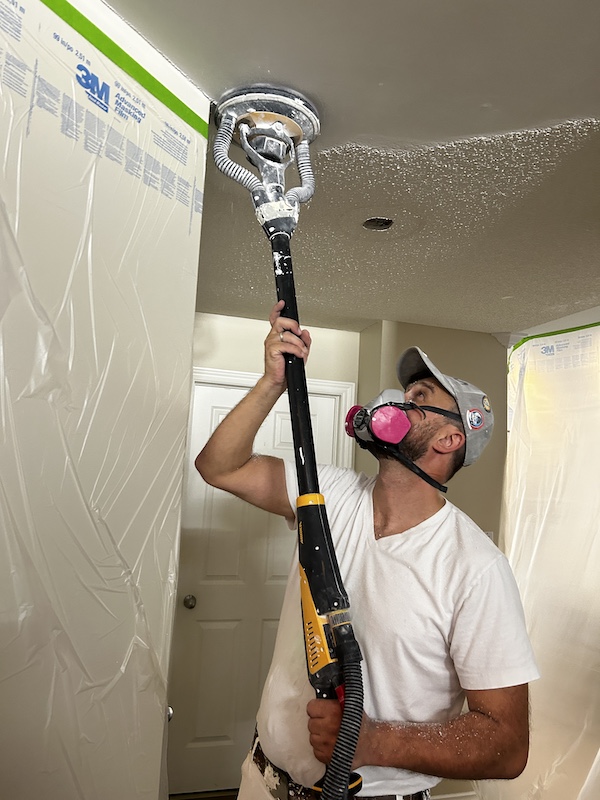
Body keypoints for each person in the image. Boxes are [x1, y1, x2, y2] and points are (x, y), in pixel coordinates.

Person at [195, 300, 539, 800]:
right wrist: (272, 383)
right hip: (263, 778)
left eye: (418, 398)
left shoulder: (474, 568)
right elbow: (220, 467)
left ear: (450, 438)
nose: (396, 402)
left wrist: (371, 738)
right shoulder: (328, 495)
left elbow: (507, 745)